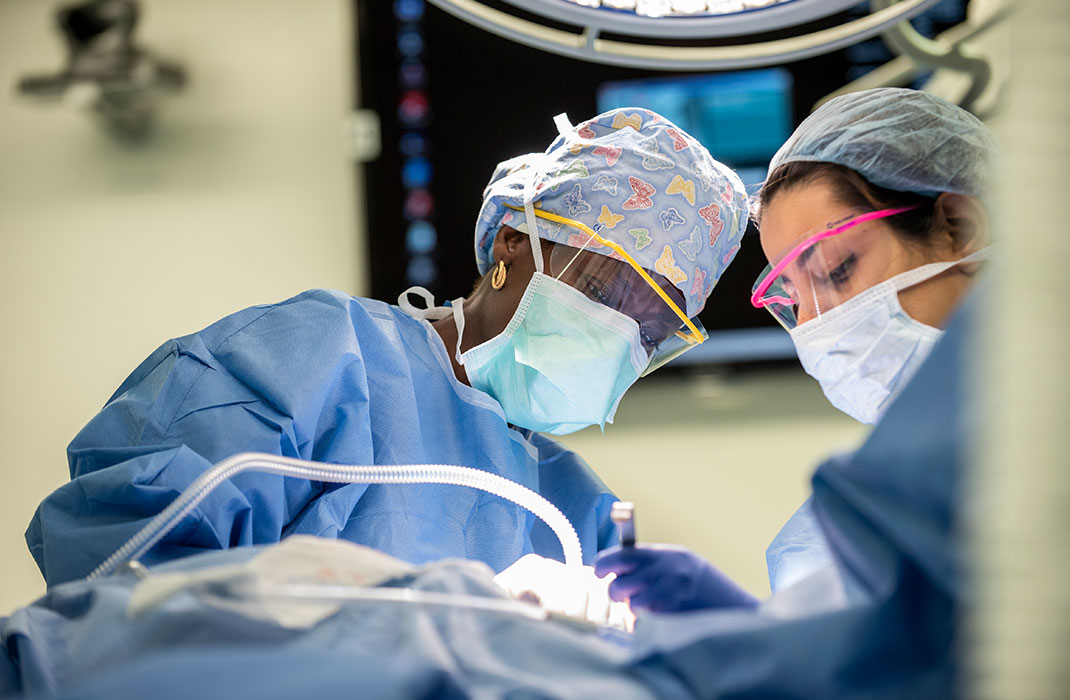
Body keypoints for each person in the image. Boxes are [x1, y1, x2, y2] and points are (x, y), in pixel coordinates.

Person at [26, 107, 750, 587]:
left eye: (652, 330)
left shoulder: (575, 513)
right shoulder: (317, 360)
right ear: (512, 241)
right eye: (602, 287)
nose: (620, 334)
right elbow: (123, 564)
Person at [595, 88, 996, 614]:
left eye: (835, 270)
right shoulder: (914, 481)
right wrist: (761, 634)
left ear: (960, 228)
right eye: (793, 300)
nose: (817, 328)